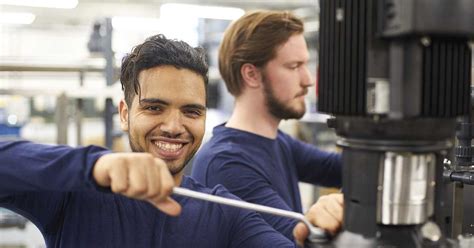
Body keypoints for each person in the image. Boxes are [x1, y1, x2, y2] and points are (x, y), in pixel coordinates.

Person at [0, 35, 295, 247]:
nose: (173, 127)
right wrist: (93, 166)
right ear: (125, 114)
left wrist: (324, 228)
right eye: (154, 108)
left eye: (191, 111)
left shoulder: (225, 213)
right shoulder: (75, 195)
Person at [191, 10, 344, 242]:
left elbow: (339, 168)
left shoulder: (277, 141)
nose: (308, 80)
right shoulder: (226, 163)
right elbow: (300, 239)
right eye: (294, 66)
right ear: (251, 74)